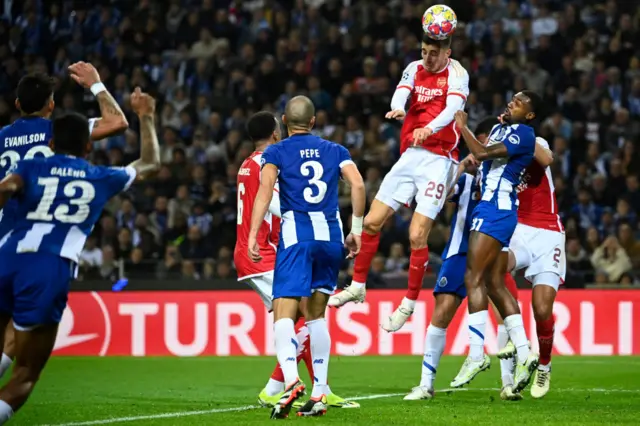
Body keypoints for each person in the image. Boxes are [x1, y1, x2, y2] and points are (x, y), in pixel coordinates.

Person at [0, 88, 159, 423]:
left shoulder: (29, 167)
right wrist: (146, 116)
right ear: (88, 146)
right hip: (48, 268)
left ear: (52, 143)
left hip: (7, 257)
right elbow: (149, 163)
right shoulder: (99, 176)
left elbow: (5, 188)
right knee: (26, 372)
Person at [328, 34, 469, 333]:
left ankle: (408, 304)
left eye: (433, 53)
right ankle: (358, 285)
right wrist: (400, 108)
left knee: (417, 235)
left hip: (440, 160)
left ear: (447, 52)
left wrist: (428, 129)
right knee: (371, 223)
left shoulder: (457, 74)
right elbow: (401, 92)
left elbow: (451, 111)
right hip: (410, 156)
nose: (428, 58)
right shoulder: (414, 67)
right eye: (424, 51)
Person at [0, 62, 128, 378]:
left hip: (2, 239)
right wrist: (96, 84)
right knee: (20, 339)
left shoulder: (1, 136)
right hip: (34, 239)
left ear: (17, 105)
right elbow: (117, 122)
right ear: (52, 105)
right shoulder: (57, 132)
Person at [248, 96, 365, 418]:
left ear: (284, 121)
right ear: (313, 121)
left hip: (296, 238)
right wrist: (356, 229)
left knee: (284, 314)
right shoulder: (336, 151)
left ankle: (290, 383)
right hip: (330, 239)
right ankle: (320, 393)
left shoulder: (275, 151)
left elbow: (264, 191)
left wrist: (253, 234)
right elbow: (357, 184)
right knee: (316, 317)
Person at [450, 92, 541, 393]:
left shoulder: (526, 135)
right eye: (512, 99)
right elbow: (485, 160)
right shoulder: (503, 128)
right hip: (491, 209)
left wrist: (462, 127)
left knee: (471, 276)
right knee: (494, 282)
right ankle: (526, 353)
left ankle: (476, 354)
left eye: (520, 102)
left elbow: (483, 153)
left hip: (496, 210)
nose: (511, 103)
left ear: (530, 115)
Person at [403, 117, 496, 401]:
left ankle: (507, 381)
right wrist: (459, 168)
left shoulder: (507, 174)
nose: (481, 146)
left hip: (495, 249)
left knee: (506, 312)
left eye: (487, 141)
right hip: (460, 250)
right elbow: (439, 198)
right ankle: (425, 384)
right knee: (441, 313)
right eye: (478, 140)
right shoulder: (467, 177)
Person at [493, 135, 559, 400]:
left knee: (542, 309)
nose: (511, 105)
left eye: (517, 103)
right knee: (495, 266)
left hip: (548, 231)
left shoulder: (534, 140)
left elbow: (546, 159)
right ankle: (514, 334)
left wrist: (521, 134)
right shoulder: (500, 149)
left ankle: (544, 364)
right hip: (518, 227)